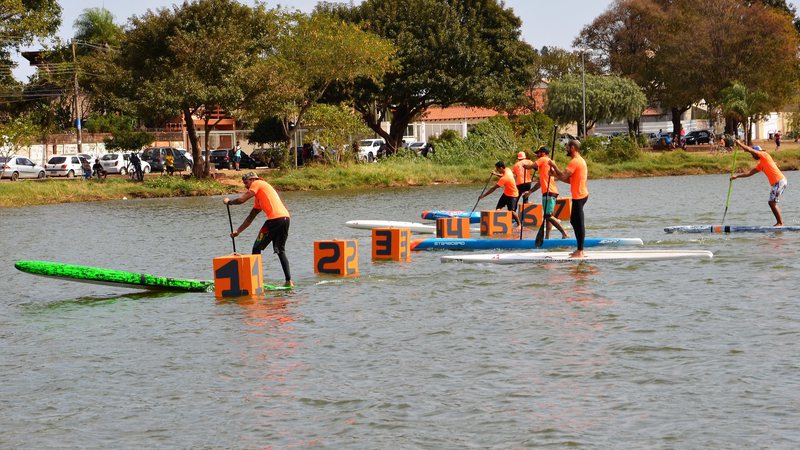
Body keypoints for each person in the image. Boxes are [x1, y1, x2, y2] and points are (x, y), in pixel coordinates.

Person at [223, 171, 293, 287]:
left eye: (246, 183)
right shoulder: (260, 196)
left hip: (275, 220)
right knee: (280, 250)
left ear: (252, 180)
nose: (246, 186)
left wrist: (229, 202)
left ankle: (256, 281)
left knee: (256, 248)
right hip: (285, 219)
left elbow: (241, 200)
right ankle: (288, 281)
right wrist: (238, 231)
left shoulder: (258, 183)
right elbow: (251, 217)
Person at [731, 140, 787, 226]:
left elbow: (750, 149)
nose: (752, 156)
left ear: (757, 153)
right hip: (778, 182)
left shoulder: (764, 155)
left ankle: (780, 223)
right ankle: (780, 222)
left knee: (772, 202)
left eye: (753, 154)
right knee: (772, 202)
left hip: (779, 181)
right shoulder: (761, 164)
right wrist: (737, 176)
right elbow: (750, 173)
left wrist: (739, 144)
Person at [549, 139, 589, 258]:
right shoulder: (579, 160)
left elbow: (563, 175)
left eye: (567, 147)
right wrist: (555, 174)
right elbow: (568, 180)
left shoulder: (575, 161)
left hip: (580, 196)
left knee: (578, 223)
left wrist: (554, 166)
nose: (566, 149)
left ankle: (580, 251)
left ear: (572, 148)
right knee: (574, 221)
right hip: (581, 195)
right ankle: (579, 249)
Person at [523, 146, 569, 239]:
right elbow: (540, 183)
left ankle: (565, 233)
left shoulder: (543, 159)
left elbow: (532, 166)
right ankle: (547, 238)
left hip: (550, 191)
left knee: (548, 216)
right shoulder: (546, 164)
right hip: (547, 192)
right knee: (547, 217)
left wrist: (525, 166)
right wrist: (530, 192)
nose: (537, 155)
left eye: (538, 153)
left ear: (543, 153)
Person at [478, 160, 520, 225]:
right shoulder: (507, 170)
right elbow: (503, 175)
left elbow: (493, 189)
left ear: (501, 168)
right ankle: (502, 222)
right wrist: (496, 174)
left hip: (513, 195)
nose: (497, 170)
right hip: (506, 194)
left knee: (512, 212)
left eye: (497, 169)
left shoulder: (504, 178)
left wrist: (483, 196)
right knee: (498, 208)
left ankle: (519, 225)